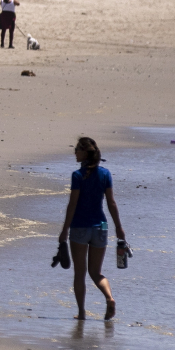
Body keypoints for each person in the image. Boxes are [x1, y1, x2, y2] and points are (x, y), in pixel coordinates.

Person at [57, 135, 125, 320]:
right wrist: (119, 227)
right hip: (101, 227)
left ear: (85, 153)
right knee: (96, 272)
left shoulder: (77, 175)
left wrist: (64, 231)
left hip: (80, 227)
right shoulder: (105, 174)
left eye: (77, 150)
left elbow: (73, 204)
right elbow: (111, 202)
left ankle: (81, 313)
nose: (75, 153)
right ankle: (110, 298)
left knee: (80, 274)